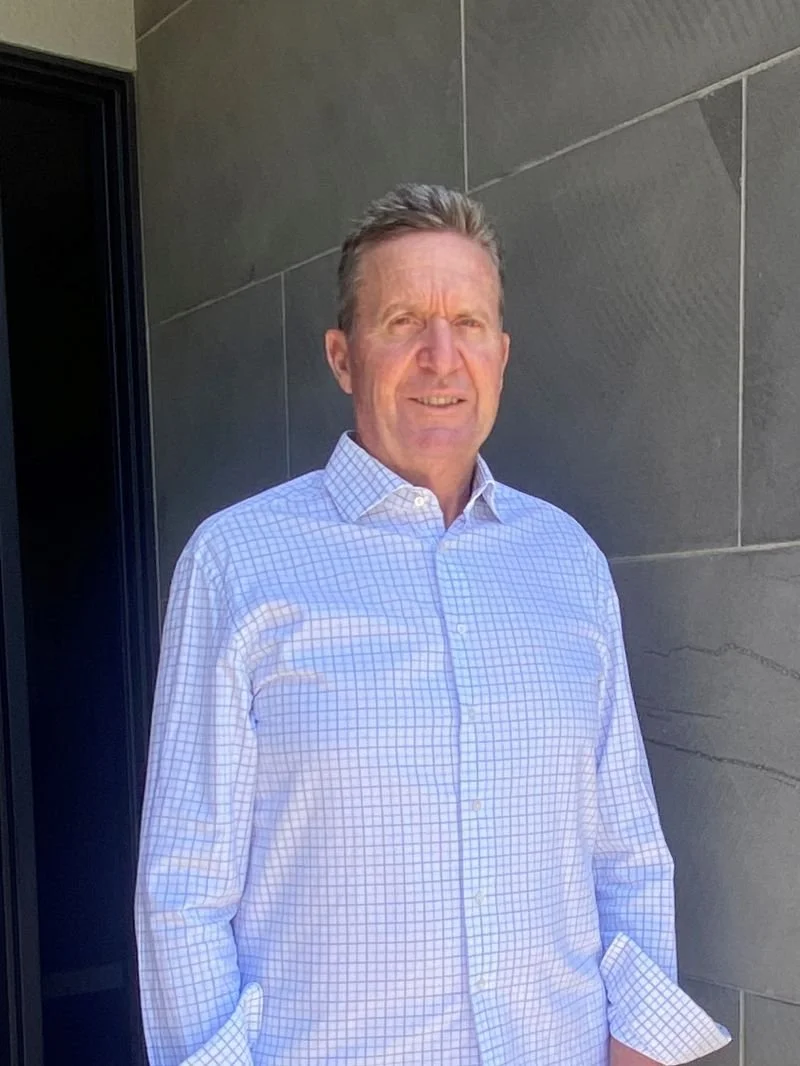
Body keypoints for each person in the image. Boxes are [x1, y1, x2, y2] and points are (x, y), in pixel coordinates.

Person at [135, 184, 730, 1066]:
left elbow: (629, 853)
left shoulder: (566, 562)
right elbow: (180, 891)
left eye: (469, 324)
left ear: (502, 352)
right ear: (344, 356)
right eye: (404, 321)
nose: (440, 357)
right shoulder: (237, 565)